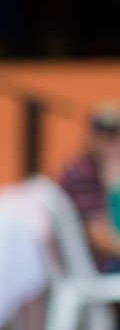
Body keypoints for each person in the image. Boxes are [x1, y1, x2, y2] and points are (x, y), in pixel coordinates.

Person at [59, 101, 120, 274]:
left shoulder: (100, 170)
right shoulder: (82, 174)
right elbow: (99, 239)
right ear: (91, 136)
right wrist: (114, 191)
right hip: (97, 267)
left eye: (115, 136)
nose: (109, 144)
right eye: (103, 135)